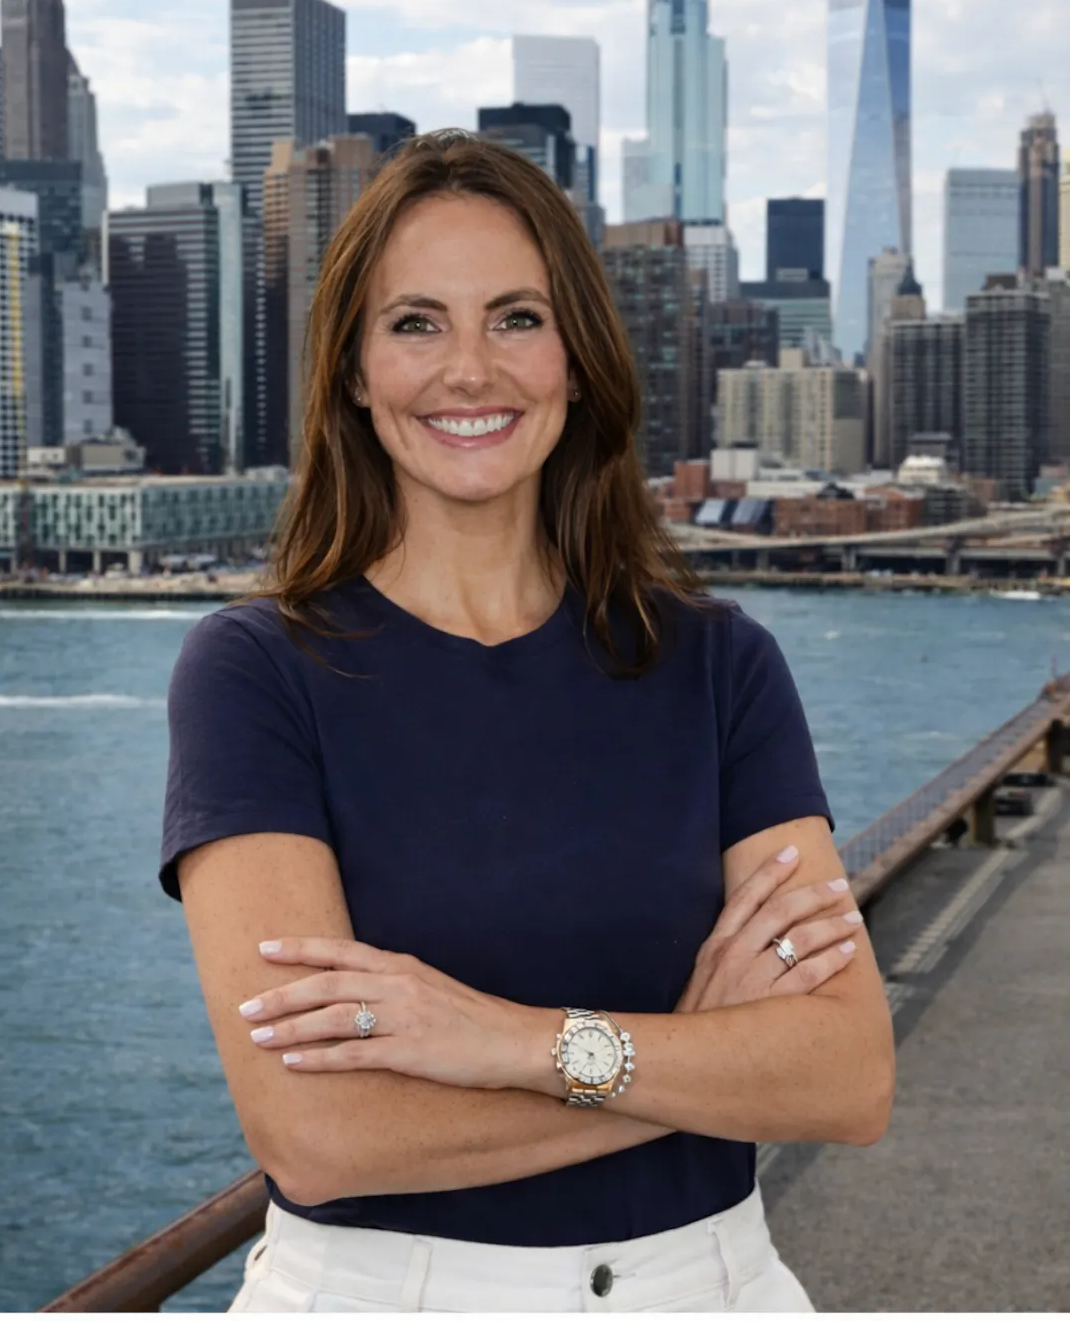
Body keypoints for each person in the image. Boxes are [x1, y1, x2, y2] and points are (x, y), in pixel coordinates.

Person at [159, 130, 895, 1313]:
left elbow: (848, 1075)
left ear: (577, 357)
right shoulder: (256, 673)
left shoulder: (718, 665)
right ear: (351, 370)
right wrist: (692, 1059)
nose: (469, 369)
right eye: (415, 323)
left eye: (515, 317)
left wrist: (503, 1039)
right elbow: (318, 1133)